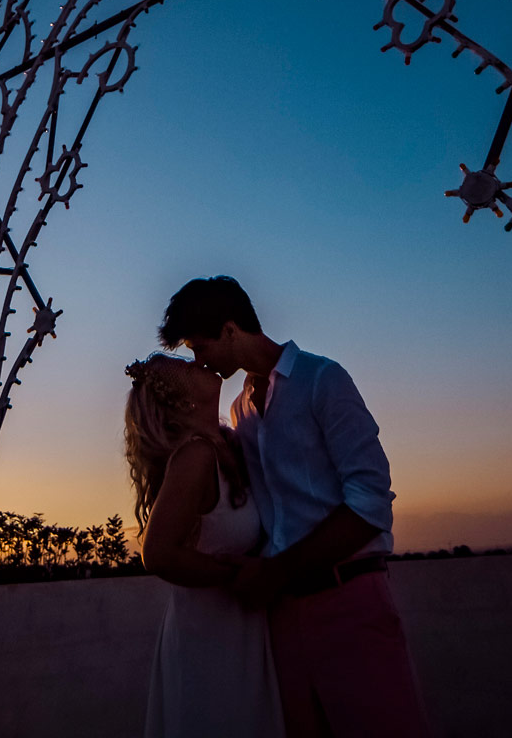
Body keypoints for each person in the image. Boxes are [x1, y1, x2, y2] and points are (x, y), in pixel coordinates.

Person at [161, 275, 434, 738]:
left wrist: (277, 571)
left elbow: (370, 502)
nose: (198, 361)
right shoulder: (241, 412)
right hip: (281, 616)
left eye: (200, 347)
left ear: (230, 329)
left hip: (348, 599)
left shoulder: (322, 379)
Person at [125, 351, 284, 738]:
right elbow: (157, 553)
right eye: (187, 368)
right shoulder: (195, 457)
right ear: (182, 401)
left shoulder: (229, 445)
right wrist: (238, 575)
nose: (199, 363)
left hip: (242, 632)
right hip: (210, 642)